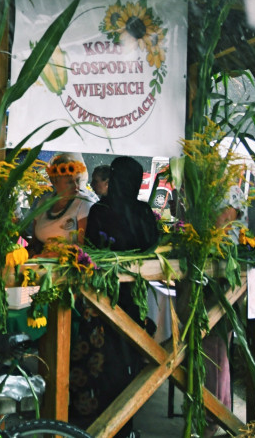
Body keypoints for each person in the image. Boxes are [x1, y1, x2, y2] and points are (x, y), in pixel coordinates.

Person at [70, 156, 160, 438]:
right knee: (127, 359)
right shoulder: (144, 212)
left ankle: (93, 421)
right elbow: (152, 245)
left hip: (100, 297)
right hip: (132, 300)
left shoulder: (100, 210)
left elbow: (90, 247)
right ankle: (123, 423)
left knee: (97, 358)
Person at [31, 153, 93, 247]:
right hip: (40, 259)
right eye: (69, 182)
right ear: (55, 182)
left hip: (69, 260)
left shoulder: (84, 203)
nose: (76, 186)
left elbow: (83, 247)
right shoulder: (43, 202)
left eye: (77, 180)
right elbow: (34, 242)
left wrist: (50, 256)